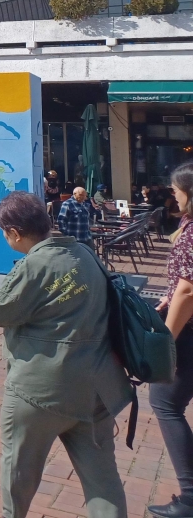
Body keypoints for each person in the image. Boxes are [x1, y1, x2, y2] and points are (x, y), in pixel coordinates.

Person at [0, 191, 131, 518]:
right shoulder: (84, 253)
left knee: (19, 475)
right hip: (96, 390)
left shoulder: (35, 264)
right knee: (103, 481)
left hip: (40, 390)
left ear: (14, 233)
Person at [149, 163, 193, 517]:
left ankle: (191, 497)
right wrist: (168, 294)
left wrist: (168, 337)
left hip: (188, 332)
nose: (172, 195)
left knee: (165, 402)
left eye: (177, 190)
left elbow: (189, 289)